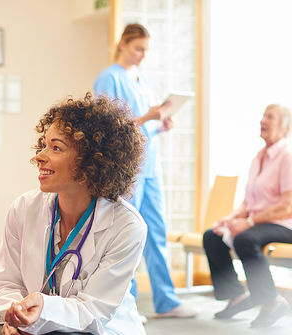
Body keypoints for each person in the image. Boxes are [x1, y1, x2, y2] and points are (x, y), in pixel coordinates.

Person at [0, 93, 148, 335]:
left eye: (56, 148)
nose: (39, 156)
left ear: (91, 160)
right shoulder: (24, 209)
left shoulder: (126, 226)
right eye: (43, 145)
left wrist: (43, 309)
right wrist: (15, 314)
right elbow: (6, 283)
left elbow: (94, 312)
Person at [93, 23, 196, 319]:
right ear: (123, 44)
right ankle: (127, 303)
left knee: (156, 230)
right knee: (127, 232)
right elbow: (107, 127)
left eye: (146, 50)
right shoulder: (109, 78)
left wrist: (158, 124)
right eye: (138, 48)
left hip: (150, 167)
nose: (142, 55)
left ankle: (166, 300)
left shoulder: (142, 79)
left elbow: (141, 129)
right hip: (129, 170)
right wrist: (146, 116)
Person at [203, 104, 292, 328]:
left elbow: (287, 205)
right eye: (263, 115)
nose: (263, 120)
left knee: (246, 238)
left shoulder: (287, 155)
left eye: (270, 117)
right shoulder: (258, 158)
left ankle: (272, 302)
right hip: (259, 223)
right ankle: (237, 296)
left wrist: (249, 222)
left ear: (284, 126)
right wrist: (229, 219)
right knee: (212, 235)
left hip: (283, 223)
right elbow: (247, 203)